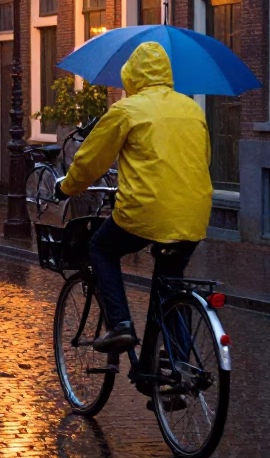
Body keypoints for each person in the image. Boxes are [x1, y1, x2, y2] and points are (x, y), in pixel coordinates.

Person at [57, 42, 213, 354]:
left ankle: (121, 325)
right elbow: (203, 159)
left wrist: (68, 188)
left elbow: (91, 161)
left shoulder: (127, 110)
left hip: (145, 212)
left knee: (100, 247)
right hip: (194, 214)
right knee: (170, 282)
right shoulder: (192, 109)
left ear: (132, 75)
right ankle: (179, 368)